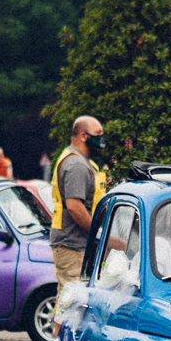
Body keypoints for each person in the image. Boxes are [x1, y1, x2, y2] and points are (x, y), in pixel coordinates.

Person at [49, 117, 106, 289]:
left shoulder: (82, 162)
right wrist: (99, 233)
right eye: (98, 134)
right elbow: (74, 207)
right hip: (72, 246)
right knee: (73, 306)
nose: (101, 140)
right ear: (83, 136)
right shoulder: (77, 165)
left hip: (71, 243)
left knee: (66, 303)